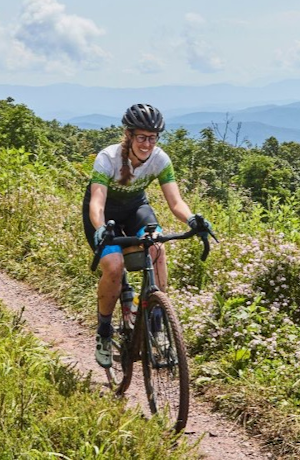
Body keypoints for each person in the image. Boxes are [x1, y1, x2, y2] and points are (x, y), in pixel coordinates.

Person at [83, 103, 212, 368]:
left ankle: (156, 325)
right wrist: (100, 229)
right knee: (115, 266)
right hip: (103, 214)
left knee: (157, 249)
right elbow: (96, 202)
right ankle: (104, 332)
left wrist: (192, 219)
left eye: (152, 138)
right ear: (129, 135)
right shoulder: (107, 158)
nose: (147, 144)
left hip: (135, 210)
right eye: (141, 137)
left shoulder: (160, 159)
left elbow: (175, 202)